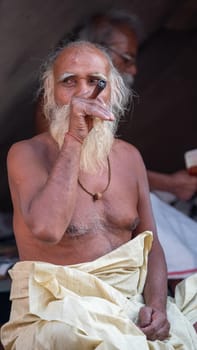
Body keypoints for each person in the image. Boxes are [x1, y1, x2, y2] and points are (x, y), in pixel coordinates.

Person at [1, 40, 197, 350]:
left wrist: (158, 307)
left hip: (131, 303)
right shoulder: (25, 154)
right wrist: (74, 139)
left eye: (96, 82)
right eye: (69, 82)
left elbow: (151, 246)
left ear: (113, 93)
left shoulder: (129, 156)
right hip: (64, 310)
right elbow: (48, 230)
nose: (84, 92)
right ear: (50, 93)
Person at [59, 10, 197, 289]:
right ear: (97, 53)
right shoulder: (63, 105)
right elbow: (82, 170)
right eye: (127, 59)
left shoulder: (101, 105)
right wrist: (170, 183)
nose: (133, 69)